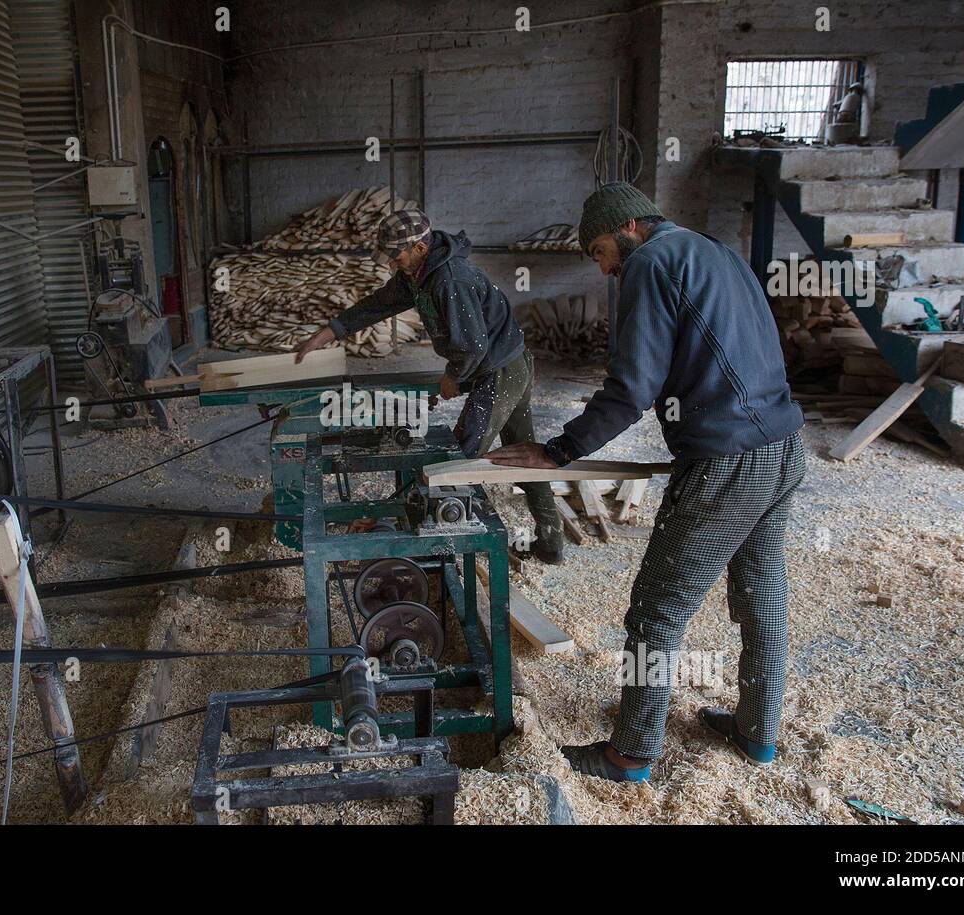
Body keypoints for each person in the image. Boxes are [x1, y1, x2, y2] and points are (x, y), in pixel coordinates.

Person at [486, 183, 806, 780]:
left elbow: (631, 388)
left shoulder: (650, 262)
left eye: (601, 250)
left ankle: (630, 752)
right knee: (762, 597)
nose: (604, 266)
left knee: (656, 612)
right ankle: (758, 733)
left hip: (727, 460)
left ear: (630, 227)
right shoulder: (715, 251)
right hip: (784, 447)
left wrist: (561, 450)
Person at [295, 208, 565, 563]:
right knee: (525, 455)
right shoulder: (418, 274)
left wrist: (453, 377)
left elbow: (472, 347)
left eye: (396, 256)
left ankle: (443, 548)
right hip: (505, 364)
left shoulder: (448, 280)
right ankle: (551, 544)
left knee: (459, 459)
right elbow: (381, 303)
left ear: (420, 247)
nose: (392, 264)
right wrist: (330, 332)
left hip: (501, 371)